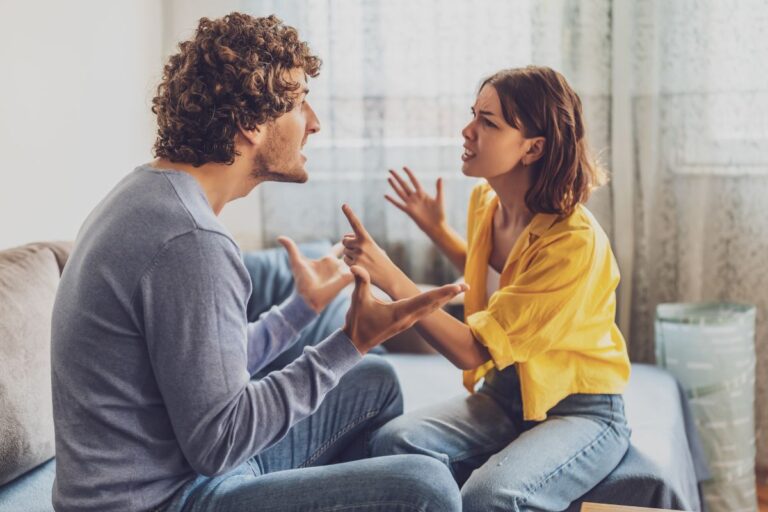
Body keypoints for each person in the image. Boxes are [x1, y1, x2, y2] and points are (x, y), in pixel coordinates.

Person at [50, 13, 465, 512]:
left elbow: (201, 369)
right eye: (298, 103)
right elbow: (220, 441)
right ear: (250, 124)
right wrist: (353, 340)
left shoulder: (148, 193)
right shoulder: (191, 240)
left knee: (373, 382)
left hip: (184, 472)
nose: (314, 122)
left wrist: (301, 310)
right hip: (165, 500)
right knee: (427, 486)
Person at [340, 66, 632, 511]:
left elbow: (473, 349)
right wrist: (439, 230)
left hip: (580, 409)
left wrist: (390, 276)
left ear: (533, 148)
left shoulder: (573, 242)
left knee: (489, 497)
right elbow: (502, 282)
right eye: (473, 114)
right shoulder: (488, 203)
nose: (467, 129)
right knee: (391, 444)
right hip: (504, 394)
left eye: (488, 122)